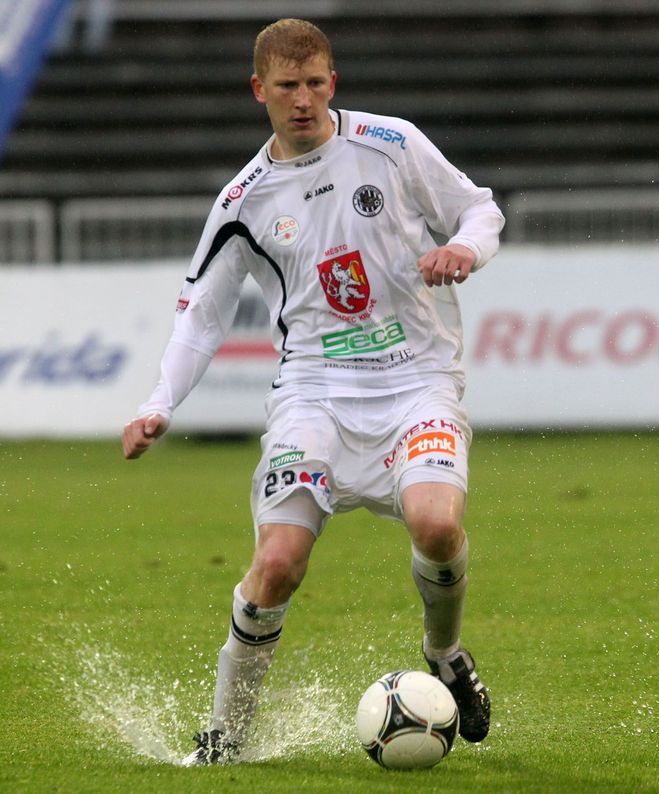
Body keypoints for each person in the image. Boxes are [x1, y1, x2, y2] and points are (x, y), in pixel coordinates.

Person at [122, 18, 505, 765]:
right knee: (277, 564)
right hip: (315, 393)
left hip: (416, 380)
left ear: (334, 82)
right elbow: (201, 315)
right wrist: (157, 403)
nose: (304, 99)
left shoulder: (389, 145)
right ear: (258, 89)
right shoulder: (244, 199)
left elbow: (481, 207)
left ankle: (446, 651)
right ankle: (227, 734)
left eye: (317, 82)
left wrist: (464, 247)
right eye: (288, 86)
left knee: (435, 526)